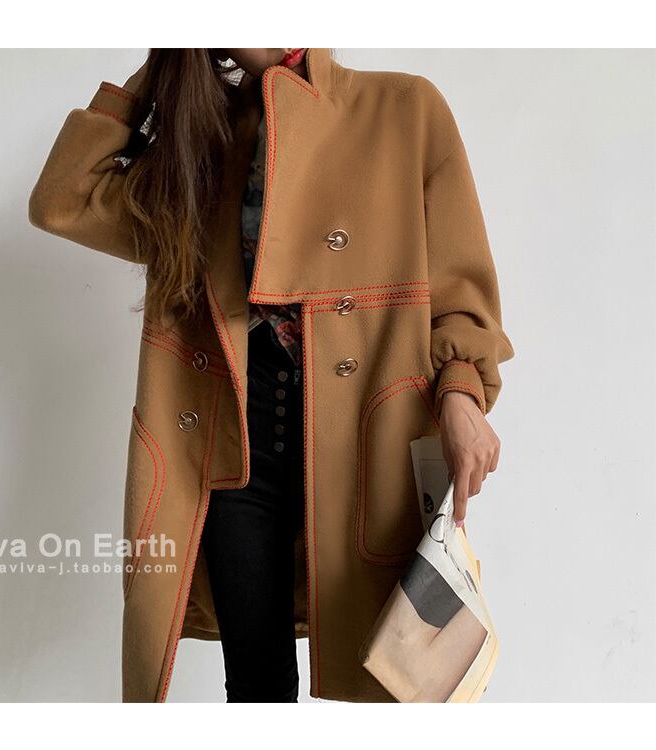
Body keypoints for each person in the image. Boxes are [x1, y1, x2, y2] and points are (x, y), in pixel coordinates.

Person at [29, 48, 514, 703]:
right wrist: (166, 68)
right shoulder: (203, 143)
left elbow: (460, 291)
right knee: (258, 687)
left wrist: (461, 393)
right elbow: (63, 199)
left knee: (401, 683)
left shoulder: (404, 108)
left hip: (368, 431)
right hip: (236, 440)